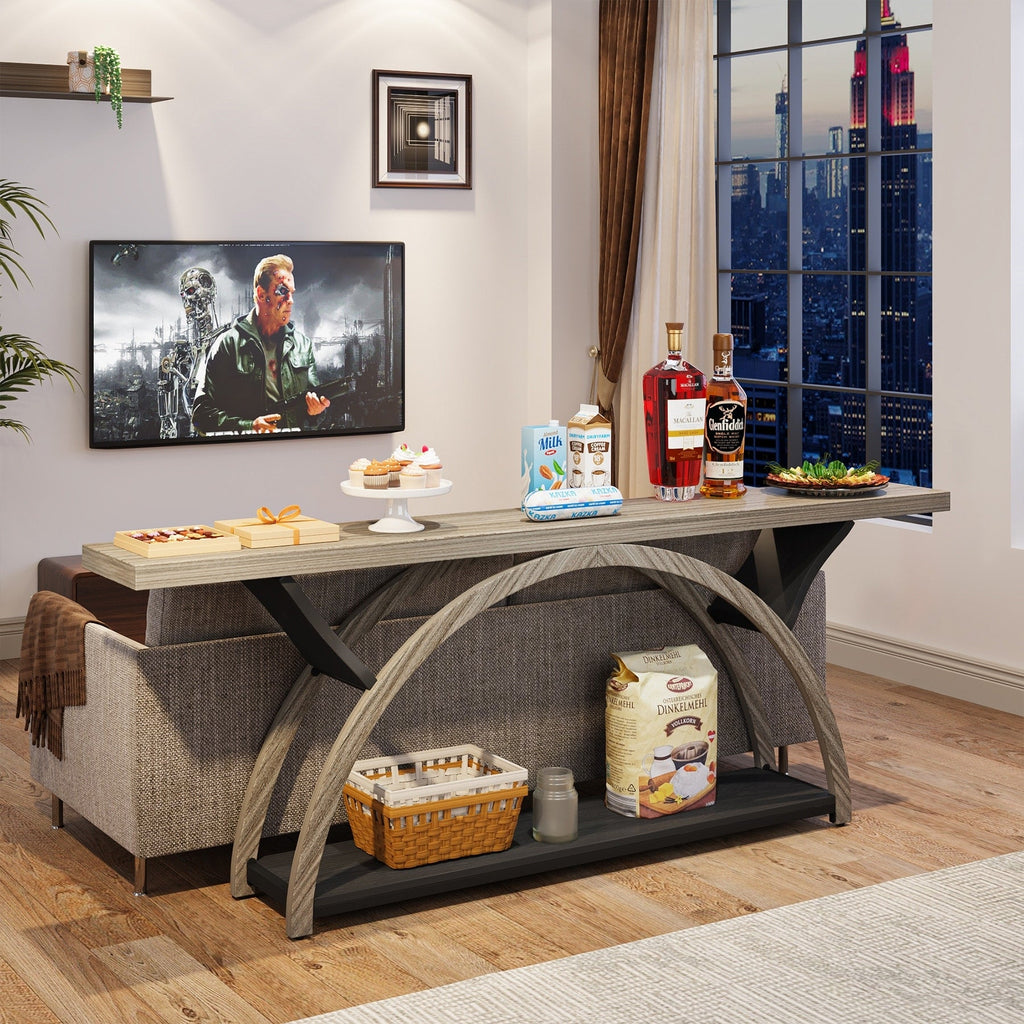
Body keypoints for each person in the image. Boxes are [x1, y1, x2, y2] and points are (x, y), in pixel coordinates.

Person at [191, 254, 330, 435]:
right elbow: (201, 416)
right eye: (282, 291)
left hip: (293, 451)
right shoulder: (227, 344)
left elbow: (313, 411)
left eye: (292, 292)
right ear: (260, 294)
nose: (290, 300)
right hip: (246, 454)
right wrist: (249, 427)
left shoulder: (303, 345)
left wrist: (316, 411)